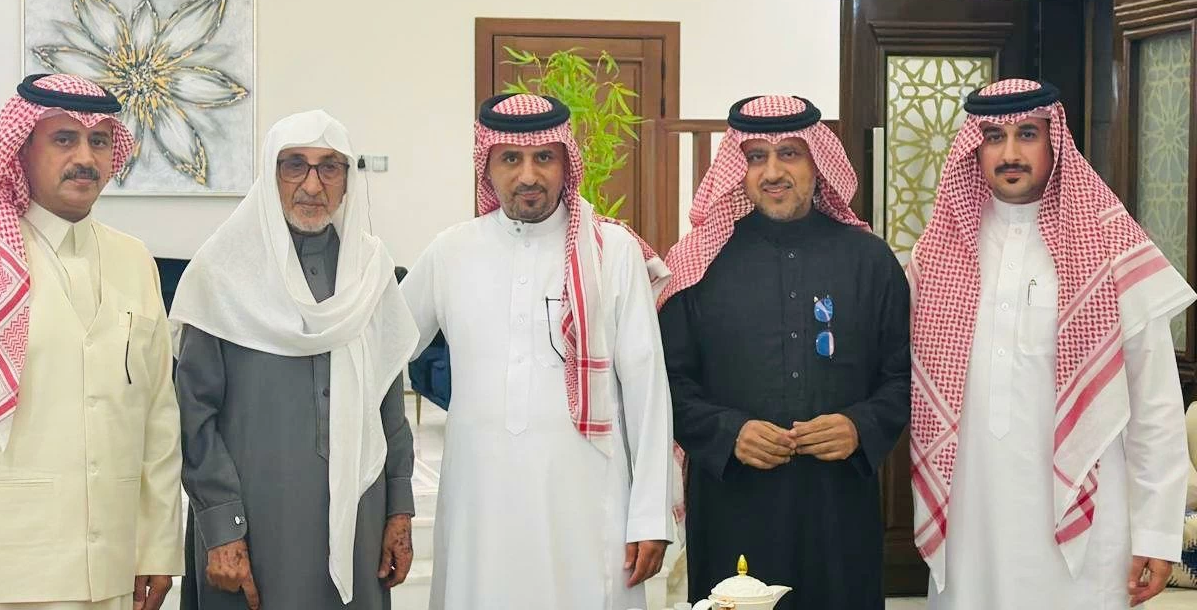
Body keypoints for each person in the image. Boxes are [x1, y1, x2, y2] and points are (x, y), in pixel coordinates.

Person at [909, 79, 1195, 609]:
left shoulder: (1110, 248)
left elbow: (1155, 403)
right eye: (994, 136)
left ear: (1054, 140)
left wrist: (1157, 533)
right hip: (971, 516)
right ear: (975, 148)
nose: (1010, 153)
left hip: (1086, 524)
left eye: (1027, 134)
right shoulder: (941, 252)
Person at [0, 74, 182, 610]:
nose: (85, 157)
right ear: (22, 149)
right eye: (64, 139)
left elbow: (157, 413)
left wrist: (157, 546)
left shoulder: (135, 260)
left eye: (99, 141)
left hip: (111, 571)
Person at [400, 93, 675, 609]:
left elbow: (648, 390)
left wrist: (650, 516)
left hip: (588, 501)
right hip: (480, 502)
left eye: (544, 157)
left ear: (566, 163)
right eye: (511, 158)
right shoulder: (452, 251)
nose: (528, 175)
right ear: (487, 166)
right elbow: (380, 350)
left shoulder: (612, 252)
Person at [658, 95, 910, 610]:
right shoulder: (697, 266)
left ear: (818, 163)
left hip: (838, 506)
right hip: (734, 503)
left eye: (789, 153)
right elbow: (666, 383)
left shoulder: (870, 261)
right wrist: (729, 433)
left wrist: (859, 426)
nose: (772, 172)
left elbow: (904, 376)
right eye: (756, 157)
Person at [171, 110, 418, 609]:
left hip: (361, 515)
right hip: (253, 523)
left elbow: (388, 403)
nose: (312, 184)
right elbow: (193, 416)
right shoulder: (220, 273)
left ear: (347, 180)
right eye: (294, 165)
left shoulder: (370, 273)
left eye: (329, 167)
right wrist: (222, 524)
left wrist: (399, 508)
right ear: (270, 174)